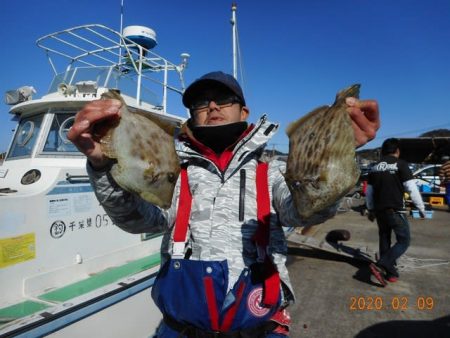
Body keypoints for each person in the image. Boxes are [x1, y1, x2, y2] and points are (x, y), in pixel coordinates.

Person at [68, 71, 380, 337]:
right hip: (180, 328)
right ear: (192, 115)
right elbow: (139, 220)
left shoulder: (269, 172)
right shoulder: (177, 174)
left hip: (260, 326)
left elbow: (304, 207)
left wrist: (337, 153)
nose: (212, 106)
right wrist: (101, 166)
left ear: (244, 112)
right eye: (201, 102)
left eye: (223, 99)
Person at [365, 138, 425, 287]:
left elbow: (369, 192)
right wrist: (421, 208)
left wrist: (371, 209)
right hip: (395, 210)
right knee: (404, 241)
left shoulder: (374, 167)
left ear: (383, 151)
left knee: (385, 239)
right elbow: (411, 188)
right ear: (397, 151)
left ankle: (391, 273)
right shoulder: (401, 164)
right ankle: (382, 264)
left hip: (379, 211)